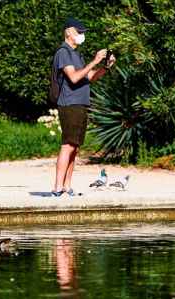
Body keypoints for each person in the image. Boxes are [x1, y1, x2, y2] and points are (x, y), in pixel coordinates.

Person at [51, 18, 115, 197]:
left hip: (81, 103)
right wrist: (95, 60)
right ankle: (57, 187)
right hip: (69, 103)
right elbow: (73, 77)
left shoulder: (76, 54)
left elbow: (89, 77)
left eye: (83, 32)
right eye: (79, 32)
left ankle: (67, 186)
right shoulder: (63, 52)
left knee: (75, 146)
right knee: (68, 145)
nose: (82, 35)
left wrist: (105, 67)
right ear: (68, 32)